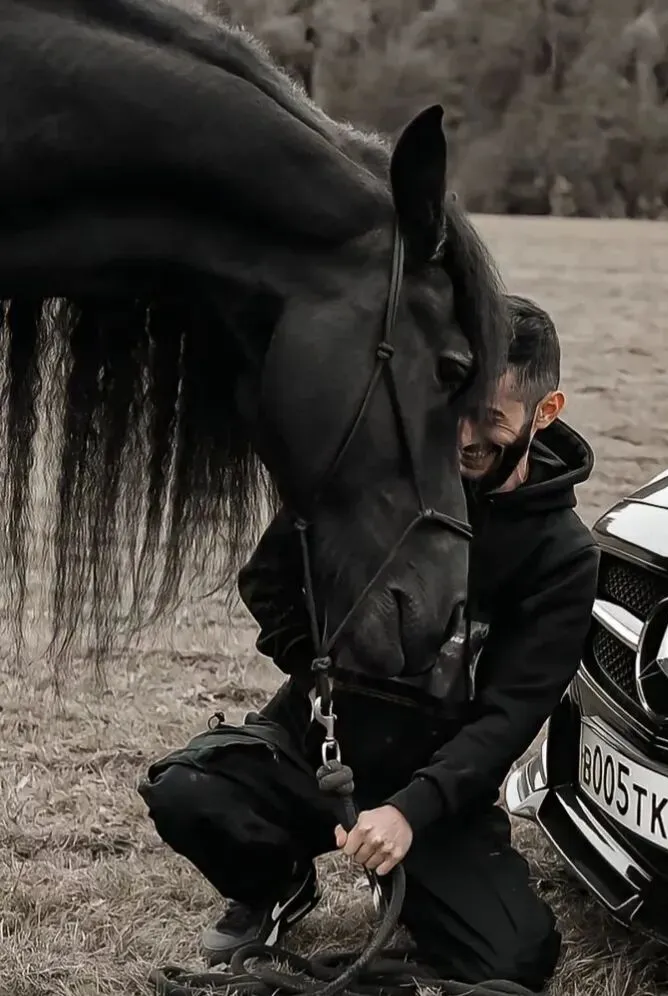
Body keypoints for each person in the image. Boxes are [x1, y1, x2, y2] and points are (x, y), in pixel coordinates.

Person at [183, 295, 599, 989]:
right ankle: (278, 884)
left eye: (490, 417)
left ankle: (404, 875)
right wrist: (322, 670)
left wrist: (411, 811)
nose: (463, 434)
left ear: (546, 411)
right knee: (188, 791)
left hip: (433, 780)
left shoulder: (563, 556)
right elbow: (268, 582)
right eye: (453, 406)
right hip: (324, 747)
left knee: (514, 961)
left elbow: (507, 720)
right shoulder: (372, 474)